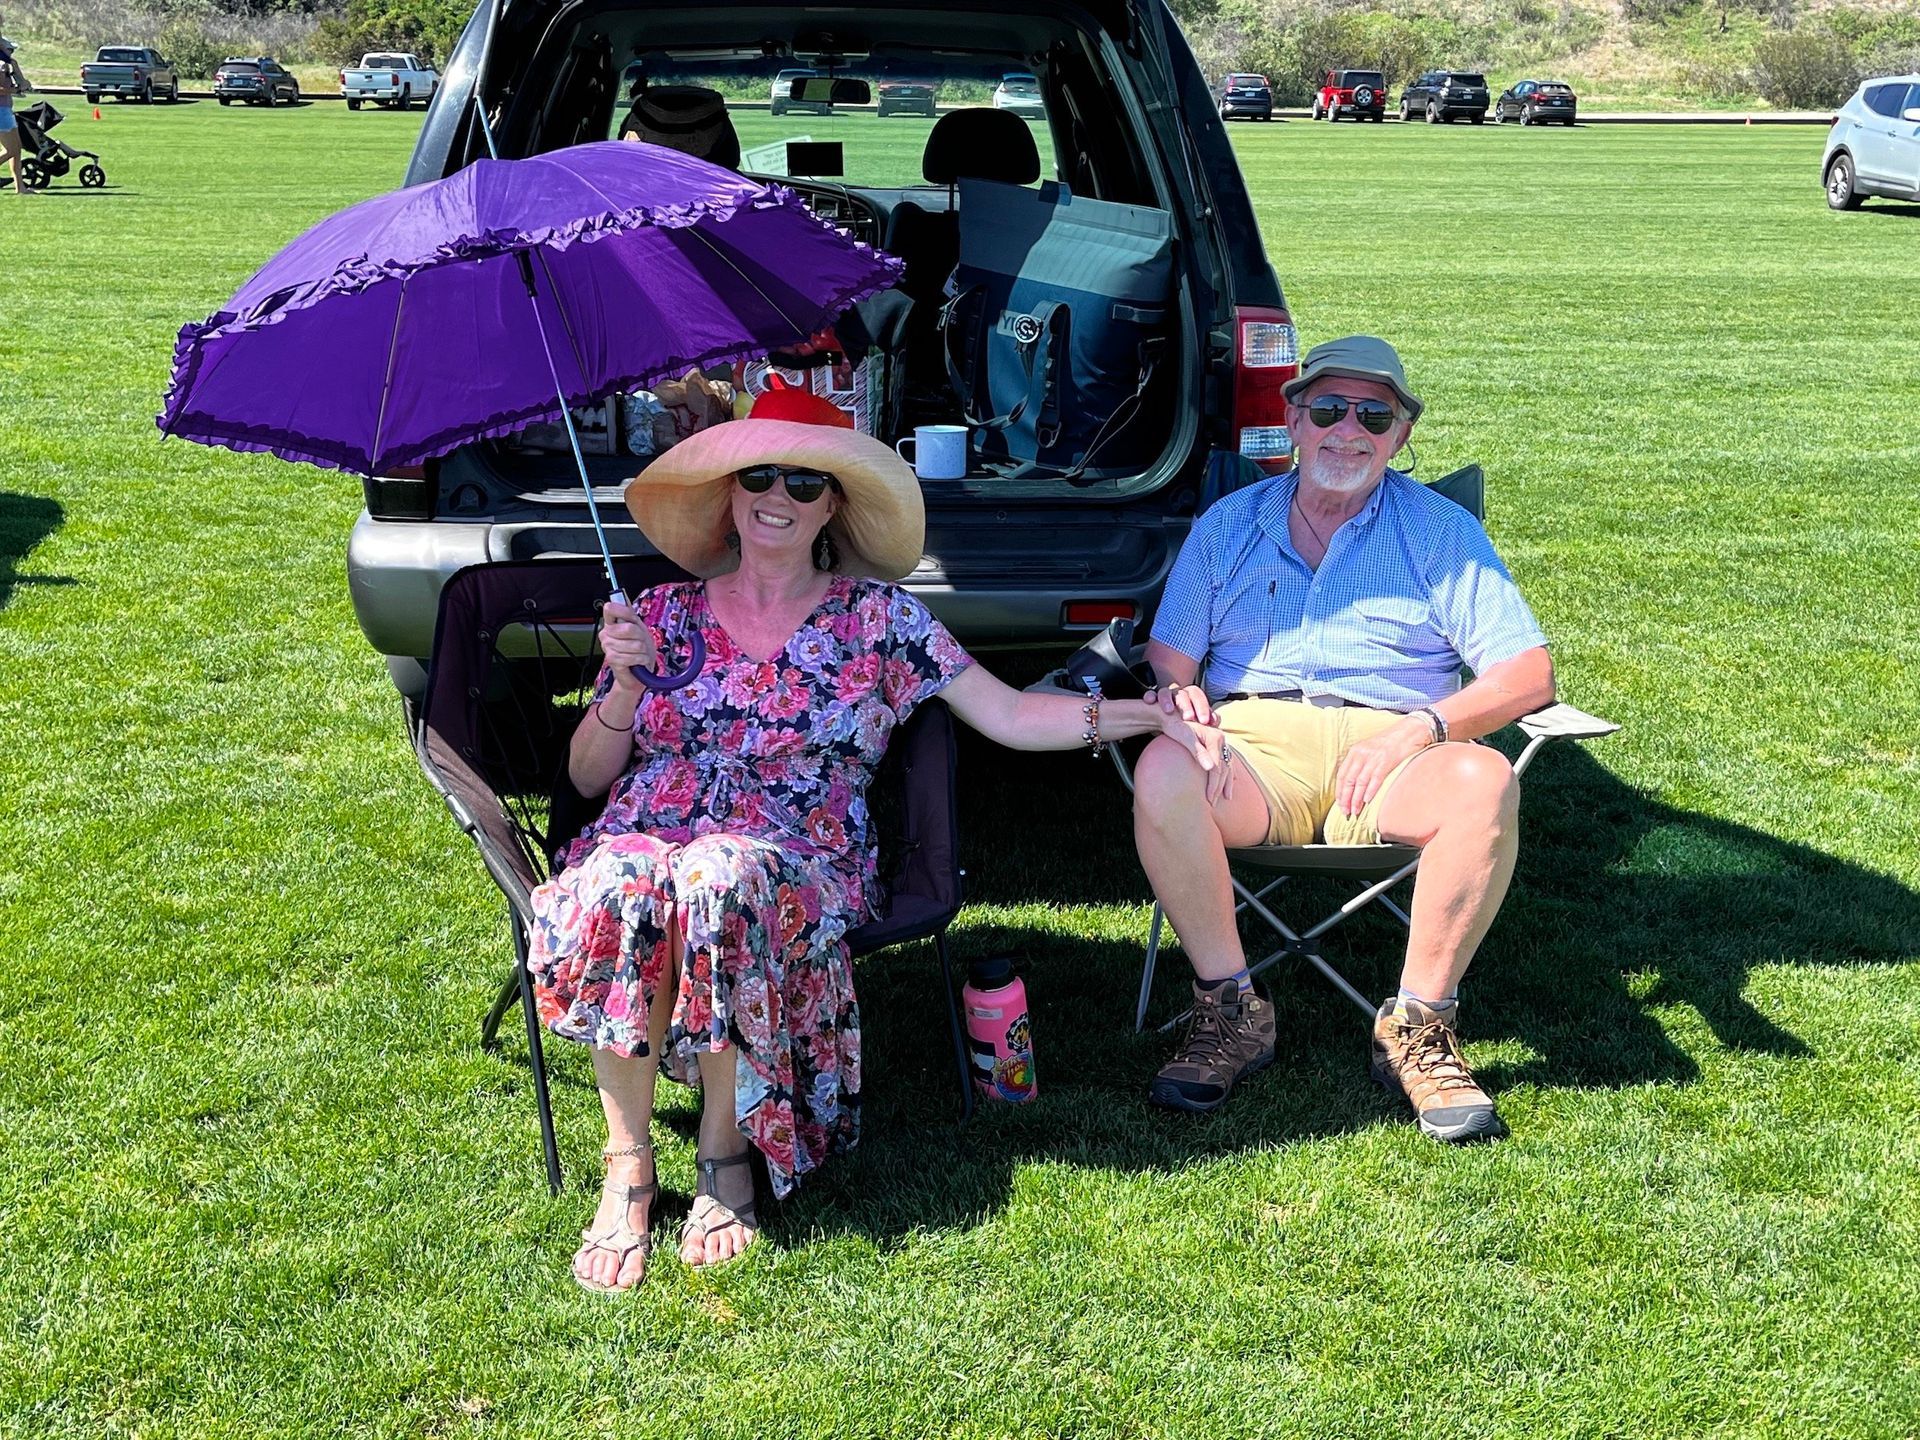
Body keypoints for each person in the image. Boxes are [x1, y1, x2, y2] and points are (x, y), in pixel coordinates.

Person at [531, 376, 1226, 1293]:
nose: (778, 498)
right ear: (729, 494)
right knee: (625, 877)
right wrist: (622, 685)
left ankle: (721, 1156)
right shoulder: (660, 615)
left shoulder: (881, 620)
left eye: (806, 484)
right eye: (761, 476)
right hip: (648, 830)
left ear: (834, 507)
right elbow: (585, 781)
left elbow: (1013, 716)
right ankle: (627, 1164)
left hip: (793, 852)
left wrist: (1144, 716)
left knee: (717, 873)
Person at [1133, 335, 1554, 1141]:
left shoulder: (1440, 532)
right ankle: (1231, 1012)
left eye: (1374, 413)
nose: (1348, 430)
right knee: (1162, 766)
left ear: (1402, 435)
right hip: (1256, 745)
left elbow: (1528, 676)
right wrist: (1177, 694)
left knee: (1488, 780)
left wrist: (1424, 727)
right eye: (1328, 408)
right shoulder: (1229, 525)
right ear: (1293, 421)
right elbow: (1171, 655)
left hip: (1397, 747)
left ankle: (1419, 1029)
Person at [0, 16, 32, 197]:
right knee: (10, 150)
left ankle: (20, 187)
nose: (9, 50)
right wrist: (13, 89)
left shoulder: (8, 65)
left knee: (16, 149)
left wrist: (21, 85)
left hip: (5, 109)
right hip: (0, 111)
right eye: (7, 47)